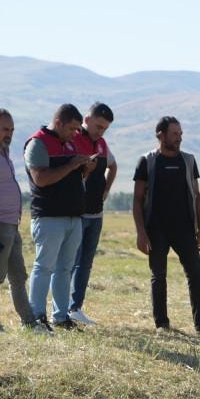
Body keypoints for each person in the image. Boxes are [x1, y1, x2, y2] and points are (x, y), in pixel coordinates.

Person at [132, 116, 200, 334]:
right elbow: (137, 200)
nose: (179, 138)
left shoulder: (188, 161)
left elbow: (197, 196)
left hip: (185, 229)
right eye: (174, 134)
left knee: (196, 274)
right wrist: (141, 233)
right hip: (156, 230)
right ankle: (162, 325)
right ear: (161, 135)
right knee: (158, 276)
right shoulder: (147, 162)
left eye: (180, 134)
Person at [0, 108, 49, 334]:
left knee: (18, 275)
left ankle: (29, 322)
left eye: (12, 130)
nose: (9, 134)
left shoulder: (2, 153)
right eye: (5, 129)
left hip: (10, 225)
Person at [24, 104, 94, 331]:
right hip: (49, 217)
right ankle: (36, 316)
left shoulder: (70, 143)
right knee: (44, 267)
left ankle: (61, 316)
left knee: (65, 269)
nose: (75, 133)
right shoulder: (38, 143)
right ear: (58, 123)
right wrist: (72, 164)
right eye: (72, 128)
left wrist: (85, 168)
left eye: (77, 129)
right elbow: (40, 179)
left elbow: (73, 176)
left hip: (74, 216)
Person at [69, 102, 118, 325]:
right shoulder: (73, 140)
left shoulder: (102, 144)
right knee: (69, 262)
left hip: (96, 215)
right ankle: (61, 308)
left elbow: (113, 166)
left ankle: (75, 307)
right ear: (86, 120)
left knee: (85, 263)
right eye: (98, 126)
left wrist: (106, 190)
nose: (101, 132)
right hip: (76, 213)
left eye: (105, 128)